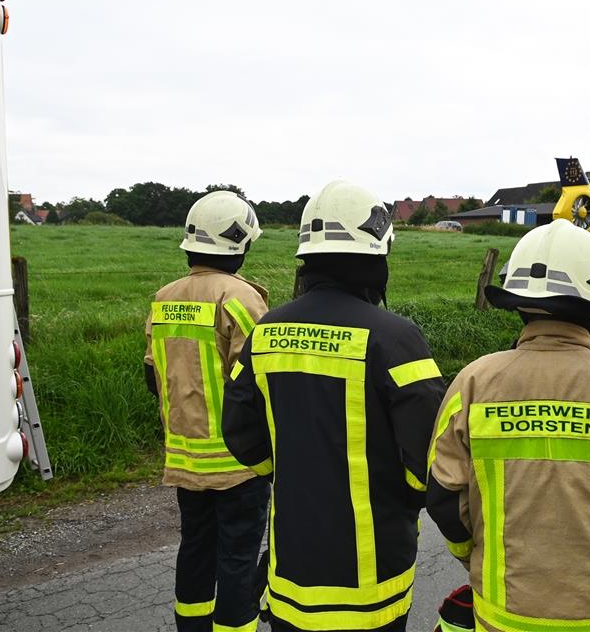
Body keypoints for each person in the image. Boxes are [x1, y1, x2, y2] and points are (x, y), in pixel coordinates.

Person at [427, 219, 590, 632]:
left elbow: (444, 498)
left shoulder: (472, 384)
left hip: (502, 614)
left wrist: (470, 556)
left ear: (517, 298)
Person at [222, 180, 446, 632]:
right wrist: (405, 495)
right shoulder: (395, 337)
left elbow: (239, 431)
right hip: (372, 578)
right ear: (377, 256)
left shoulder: (266, 331)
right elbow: (433, 452)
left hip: (292, 571)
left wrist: (294, 473)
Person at [144, 191, 271, 632]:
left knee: (195, 549)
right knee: (237, 558)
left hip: (184, 457)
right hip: (240, 461)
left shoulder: (164, 297)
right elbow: (261, 380)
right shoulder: (240, 298)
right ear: (239, 244)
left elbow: (152, 372)